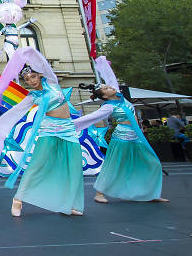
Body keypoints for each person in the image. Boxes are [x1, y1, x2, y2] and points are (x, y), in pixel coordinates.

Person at [0, 47, 84, 217]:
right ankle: (18, 199)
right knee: (37, 166)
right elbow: (14, 113)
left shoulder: (53, 83)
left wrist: (28, 52)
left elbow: (43, 63)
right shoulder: (33, 96)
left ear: (39, 74)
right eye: (26, 79)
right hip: (49, 131)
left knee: (73, 167)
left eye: (33, 76)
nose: (31, 81)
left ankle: (68, 203)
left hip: (68, 130)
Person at [72, 57, 168, 204]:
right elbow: (89, 118)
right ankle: (99, 193)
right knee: (114, 166)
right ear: (105, 96)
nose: (110, 87)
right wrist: (67, 125)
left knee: (151, 163)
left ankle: (151, 193)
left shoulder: (121, 98)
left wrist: (103, 64)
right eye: (106, 88)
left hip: (136, 137)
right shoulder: (108, 106)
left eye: (108, 86)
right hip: (122, 138)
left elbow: (111, 79)